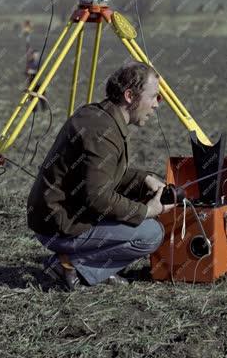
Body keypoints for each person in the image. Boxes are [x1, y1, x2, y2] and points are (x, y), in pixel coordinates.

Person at [27, 62, 172, 290]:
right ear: (129, 96)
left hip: (58, 215)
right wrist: (147, 211)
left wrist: (143, 179)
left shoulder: (100, 116)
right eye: (155, 97)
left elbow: (103, 175)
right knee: (151, 233)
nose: (156, 105)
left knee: (135, 216)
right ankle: (70, 265)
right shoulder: (103, 132)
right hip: (58, 226)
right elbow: (98, 198)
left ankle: (93, 270)